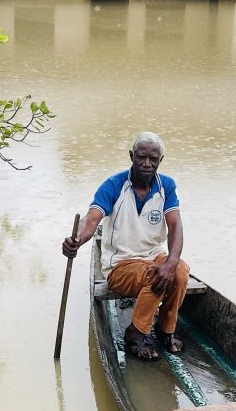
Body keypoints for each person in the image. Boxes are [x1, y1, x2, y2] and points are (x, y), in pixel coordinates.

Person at [61, 131, 190, 361]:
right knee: (156, 275)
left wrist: (171, 261)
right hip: (121, 265)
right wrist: (77, 240)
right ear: (132, 156)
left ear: (161, 160)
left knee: (179, 270)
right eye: (141, 157)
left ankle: (165, 329)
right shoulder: (114, 185)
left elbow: (176, 226)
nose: (146, 164)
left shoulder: (166, 186)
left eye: (153, 159)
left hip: (153, 255)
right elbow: (91, 219)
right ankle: (136, 334)